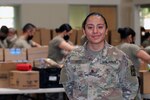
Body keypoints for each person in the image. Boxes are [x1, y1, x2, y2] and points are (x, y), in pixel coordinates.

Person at [60, 12, 138, 100]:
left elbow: (131, 86)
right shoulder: (72, 58)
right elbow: (67, 85)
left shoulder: (120, 57)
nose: (95, 31)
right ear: (84, 31)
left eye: (100, 27)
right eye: (90, 27)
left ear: (106, 31)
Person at [116, 27, 150, 100]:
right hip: (132, 79)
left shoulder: (115, 48)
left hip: (118, 80)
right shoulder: (132, 47)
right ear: (130, 37)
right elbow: (148, 58)